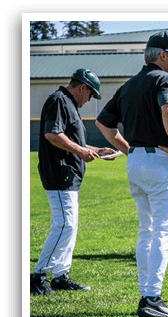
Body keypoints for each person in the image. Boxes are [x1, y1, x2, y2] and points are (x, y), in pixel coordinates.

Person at [96, 31, 168, 317]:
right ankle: (151, 297)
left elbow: (103, 123)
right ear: (161, 56)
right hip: (159, 162)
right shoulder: (163, 78)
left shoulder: (128, 85)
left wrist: (127, 149)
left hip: (135, 160)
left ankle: (146, 294)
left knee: (146, 230)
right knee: (163, 229)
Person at [31, 68, 115, 295]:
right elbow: (53, 134)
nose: (89, 100)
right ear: (82, 87)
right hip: (59, 173)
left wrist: (97, 150)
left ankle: (60, 275)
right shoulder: (59, 100)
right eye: (90, 94)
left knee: (70, 225)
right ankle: (38, 276)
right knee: (64, 224)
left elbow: (72, 139)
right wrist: (79, 151)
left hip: (69, 176)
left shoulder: (68, 103)